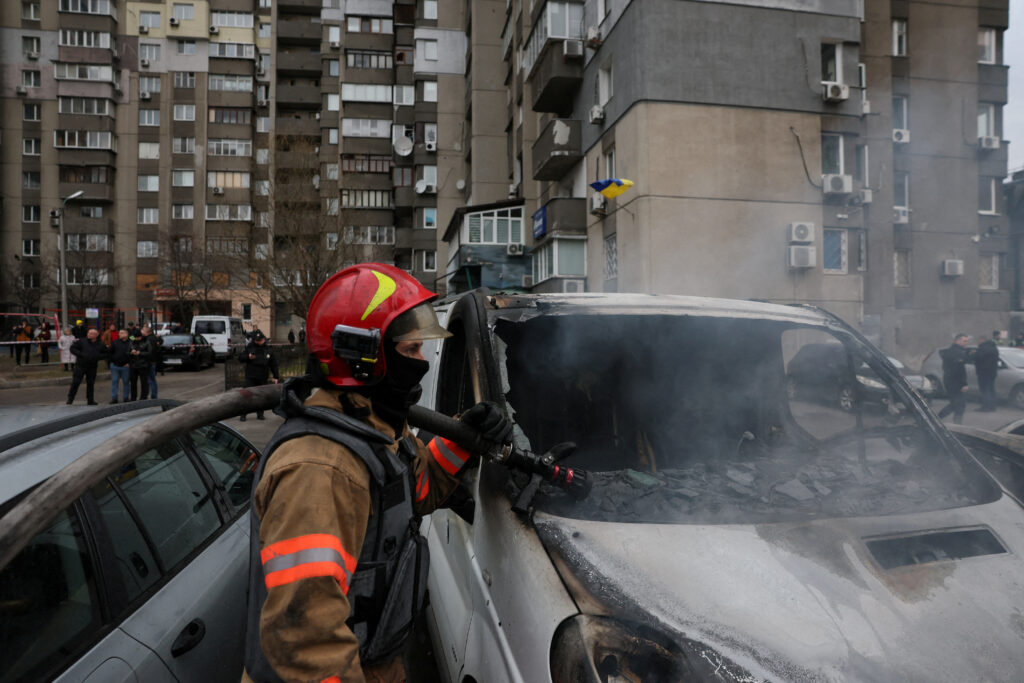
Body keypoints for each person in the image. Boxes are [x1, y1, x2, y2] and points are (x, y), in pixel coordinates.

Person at [242, 264, 513, 683]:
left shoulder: (374, 427)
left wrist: (463, 437)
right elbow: (306, 643)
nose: (422, 362)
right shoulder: (319, 470)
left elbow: (415, 491)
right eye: (410, 351)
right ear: (364, 358)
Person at [238, 331, 280, 421]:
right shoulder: (250, 346)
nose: (258, 342)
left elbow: (273, 364)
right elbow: (240, 357)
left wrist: (276, 376)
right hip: (251, 376)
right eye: (256, 340)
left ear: (264, 339)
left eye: (260, 340)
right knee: (246, 396)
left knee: (261, 396)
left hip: (262, 376)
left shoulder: (268, 349)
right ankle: (243, 414)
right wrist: (248, 357)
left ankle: (260, 414)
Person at [67, 328, 107, 405]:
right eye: (88, 333)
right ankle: (70, 399)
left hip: (92, 366)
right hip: (80, 365)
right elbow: (72, 348)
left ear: (96, 335)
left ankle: (90, 400)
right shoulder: (82, 341)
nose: (89, 334)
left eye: (91, 333)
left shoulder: (100, 344)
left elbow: (106, 353)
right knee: (76, 382)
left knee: (91, 383)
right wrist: (80, 354)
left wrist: (97, 357)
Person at [937, 333, 970, 424]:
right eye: (964, 341)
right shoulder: (956, 352)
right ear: (957, 341)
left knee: (958, 404)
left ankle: (957, 425)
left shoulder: (953, 351)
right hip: (955, 382)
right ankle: (936, 419)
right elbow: (959, 370)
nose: (966, 343)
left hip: (950, 380)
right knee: (957, 404)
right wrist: (963, 384)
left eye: (967, 341)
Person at [129, 326, 156, 401]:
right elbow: (129, 340)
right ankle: (133, 397)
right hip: (133, 365)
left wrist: (140, 353)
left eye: (143, 330)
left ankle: (144, 397)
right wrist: (130, 352)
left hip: (143, 364)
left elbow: (150, 352)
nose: (137, 339)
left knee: (145, 382)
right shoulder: (132, 340)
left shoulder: (147, 340)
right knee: (133, 383)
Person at [975, 333, 1000, 412]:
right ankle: (992, 407)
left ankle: (985, 407)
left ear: (982, 340)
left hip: (983, 372)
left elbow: (979, 358)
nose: (978, 342)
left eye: (979, 340)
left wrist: (974, 354)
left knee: (984, 390)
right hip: (992, 372)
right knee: (991, 389)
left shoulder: (982, 348)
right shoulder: (994, 347)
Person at [109, 329, 132, 403]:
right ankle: (114, 398)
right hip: (115, 366)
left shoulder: (131, 342)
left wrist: (129, 363)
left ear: (127, 334)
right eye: (119, 333)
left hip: (126, 366)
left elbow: (136, 338)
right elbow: (109, 353)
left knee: (126, 382)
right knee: (114, 382)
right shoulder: (115, 342)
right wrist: (111, 362)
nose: (119, 334)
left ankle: (126, 397)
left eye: (122, 333)